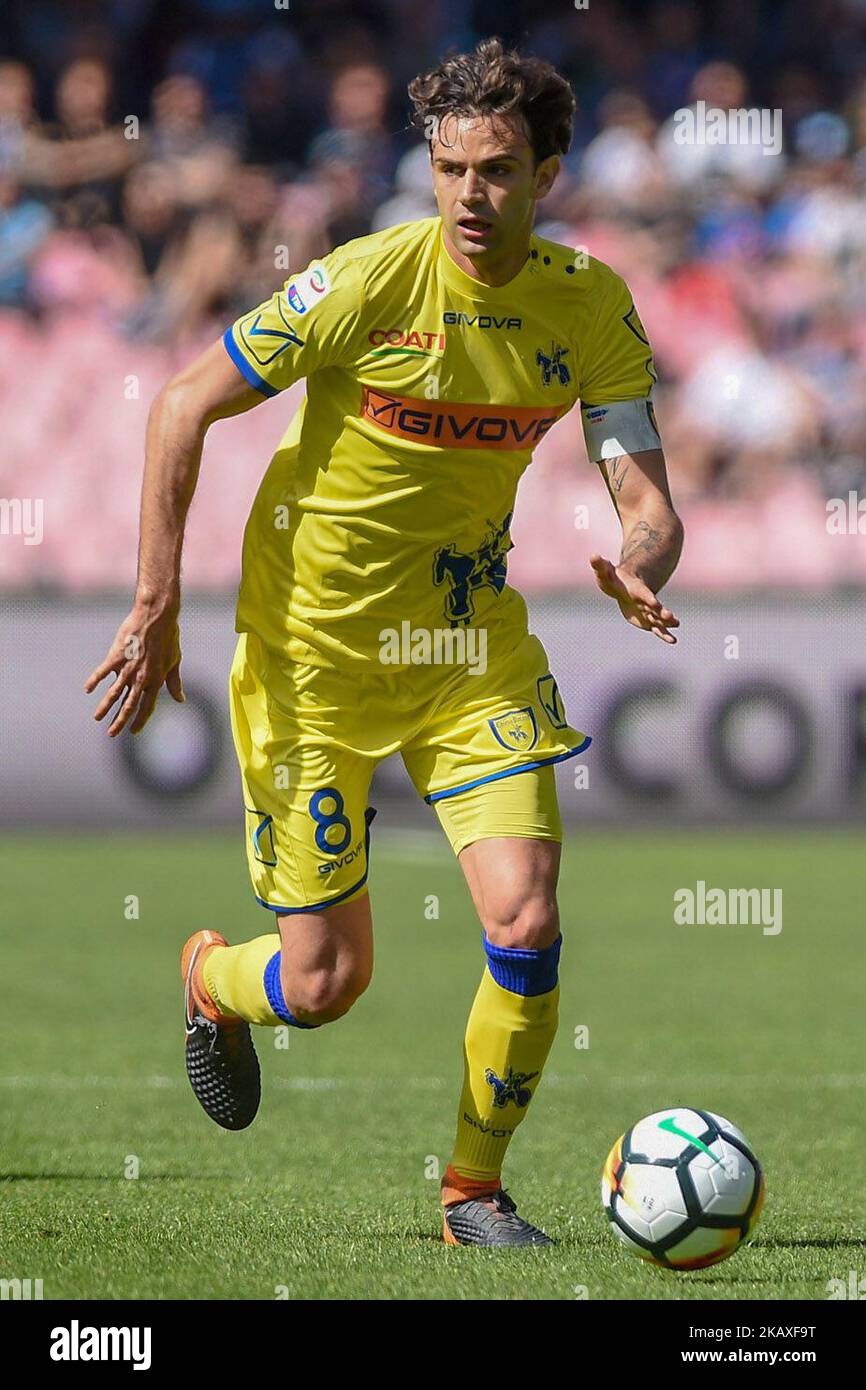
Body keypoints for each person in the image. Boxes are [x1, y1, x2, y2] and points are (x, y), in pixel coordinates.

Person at [86, 38, 682, 1248]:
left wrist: (641, 559)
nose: (470, 195)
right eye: (449, 167)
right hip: (312, 661)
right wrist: (156, 598)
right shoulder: (361, 282)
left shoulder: (587, 305)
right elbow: (181, 402)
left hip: (469, 655)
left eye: (498, 170)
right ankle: (211, 979)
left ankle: (472, 1192)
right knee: (324, 985)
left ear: (547, 175)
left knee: (522, 919)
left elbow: (647, 499)